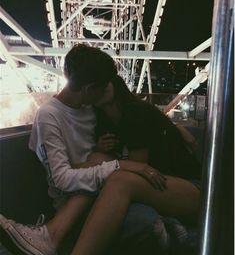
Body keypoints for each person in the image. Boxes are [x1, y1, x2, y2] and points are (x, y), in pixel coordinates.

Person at [0, 44, 201, 255]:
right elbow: (67, 175)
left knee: (116, 179)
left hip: (181, 188)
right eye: (104, 84)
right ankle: (52, 234)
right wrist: (118, 164)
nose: (108, 87)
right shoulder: (85, 112)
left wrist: (175, 128)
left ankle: (52, 235)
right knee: (108, 173)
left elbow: (143, 118)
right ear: (89, 89)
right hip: (98, 193)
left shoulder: (115, 112)